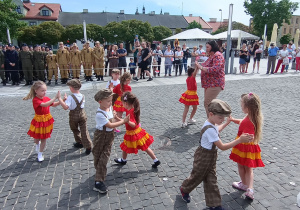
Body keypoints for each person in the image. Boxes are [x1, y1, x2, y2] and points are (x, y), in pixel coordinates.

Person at [180, 99, 254, 208]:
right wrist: (239, 140)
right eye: (220, 118)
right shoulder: (209, 128)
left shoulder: (212, 123)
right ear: (211, 114)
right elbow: (222, 147)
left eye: (223, 118)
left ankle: (215, 205)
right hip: (203, 157)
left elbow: (217, 129)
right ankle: (184, 189)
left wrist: (227, 123)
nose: (222, 120)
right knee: (197, 177)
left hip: (211, 157)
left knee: (212, 181)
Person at [92, 89, 129, 193]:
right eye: (108, 101)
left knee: (104, 157)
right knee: (97, 156)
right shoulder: (100, 114)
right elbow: (110, 125)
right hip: (100, 137)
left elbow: (113, 118)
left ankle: (98, 182)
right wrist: (123, 122)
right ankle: (99, 170)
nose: (110, 103)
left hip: (109, 136)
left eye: (111, 100)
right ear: (100, 102)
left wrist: (116, 116)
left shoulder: (109, 108)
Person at [229, 93, 264, 200]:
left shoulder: (249, 120)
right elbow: (243, 122)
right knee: (249, 169)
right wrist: (234, 120)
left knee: (241, 166)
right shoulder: (253, 117)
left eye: (242, 105)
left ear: (247, 108)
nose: (241, 107)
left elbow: (248, 132)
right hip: (251, 148)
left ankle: (244, 184)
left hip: (243, 147)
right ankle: (250, 189)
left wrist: (243, 138)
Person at [114, 92, 161, 168]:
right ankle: (155, 160)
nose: (122, 105)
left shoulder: (130, 112)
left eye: (122, 103)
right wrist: (118, 118)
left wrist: (125, 120)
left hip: (132, 133)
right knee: (144, 147)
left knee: (127, 146)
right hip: (137, 131)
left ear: (126, 103)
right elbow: (126, 121)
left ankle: (123, 160)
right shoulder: (131, 109)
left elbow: (133, 124)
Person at [23, 81, 60, 162]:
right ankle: (37, 145)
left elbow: (53, 104)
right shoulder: (35, 100)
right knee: (36, 138)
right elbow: (45, 104)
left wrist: (61, 100)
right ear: (36, 91)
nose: (45, 92)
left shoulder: (46, 98)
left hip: (46, 120)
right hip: (38, 120)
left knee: (44, 138)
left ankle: (40, 153)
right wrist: (55, 97)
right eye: (42, 91)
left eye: (45, 90)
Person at [195, 41, 225, 117]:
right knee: (209, 103)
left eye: (208, 47)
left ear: (213, 47)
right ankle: (212, 121)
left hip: (215, 83)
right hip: (209, 83)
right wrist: (199, 65)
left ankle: (212, 122)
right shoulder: (211, 56)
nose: (206, 49)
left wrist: (201, 67)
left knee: (208, 103)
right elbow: (206, 65)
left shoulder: (217, 55)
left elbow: (215, 69)